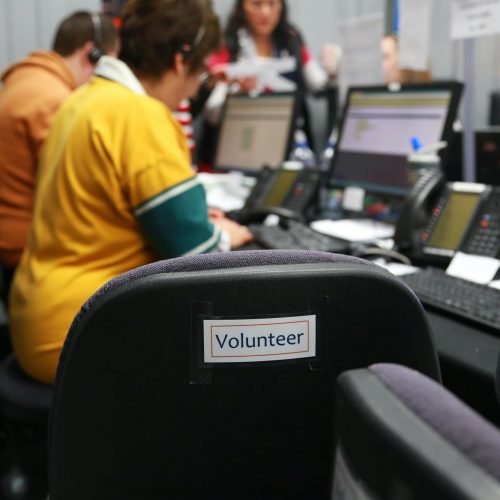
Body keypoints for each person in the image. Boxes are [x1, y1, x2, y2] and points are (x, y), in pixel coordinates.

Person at [9, 0, 253, 384]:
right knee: (243, 363)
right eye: (202, 71)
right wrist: (226, 235)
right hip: (80, 333)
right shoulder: (140, 115)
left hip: (37, 315)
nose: (195, 88)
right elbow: (200, 256)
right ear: (180, 59)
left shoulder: (82, 100)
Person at [0, 11, 119, 304]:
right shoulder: (52, 100)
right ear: (91, 53)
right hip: (26, 254)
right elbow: (82, 181)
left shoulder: (27, 80)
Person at [199, 0, 340, 161]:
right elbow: (212, 114)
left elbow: (319, 84)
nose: (265, 12)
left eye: (272, 4)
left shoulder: (291, 38)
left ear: (281, 6)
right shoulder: (229, 43)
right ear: (242, 6)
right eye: (256, 4)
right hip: (239, 146)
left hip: (288, 145)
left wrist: (333, 69)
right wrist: (237, 92)